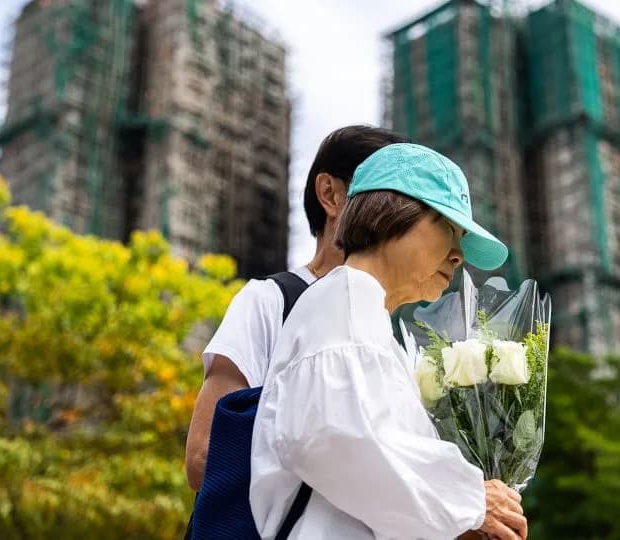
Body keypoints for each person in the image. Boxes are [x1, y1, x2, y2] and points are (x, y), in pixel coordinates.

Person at [250, 143, 528, 539]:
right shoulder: (342, 302)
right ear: (389, 212)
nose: (457, 256)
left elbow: (373, 486)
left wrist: (457, 523)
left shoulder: (373, 327)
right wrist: (471, 501)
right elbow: (334, 440)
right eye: (448, 229)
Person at [185, 126, 410, 491]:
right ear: (330, 194)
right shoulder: (271, 300)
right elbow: (205, 455)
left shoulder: (392, 342)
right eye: (391, 196)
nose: (405, 219)